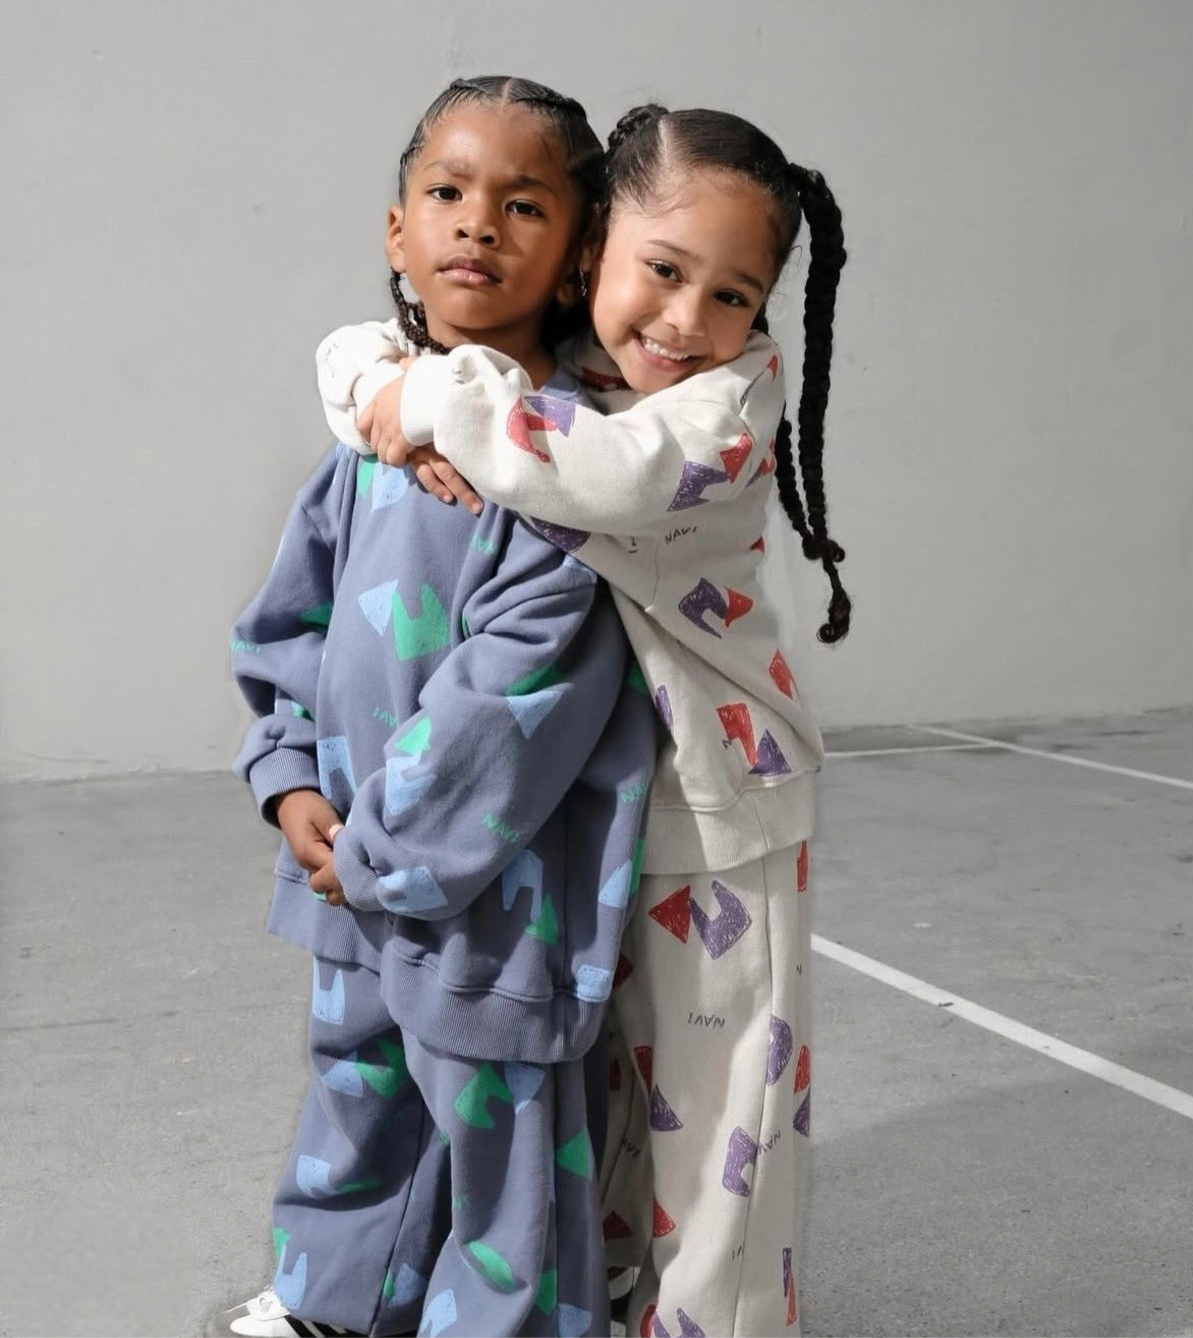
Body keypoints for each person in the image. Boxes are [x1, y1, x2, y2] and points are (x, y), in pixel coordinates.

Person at [313, 104, 851, 1338]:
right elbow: (349, 350)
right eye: (663, 269)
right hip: (593, 812)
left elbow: (594, 471)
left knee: (721, 1125)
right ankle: (607, 1298)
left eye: (732, 294)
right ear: (596, 248)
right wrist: (388, 381)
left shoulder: (722, 410)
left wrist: (433, 395)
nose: (687, 319)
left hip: (721, 812)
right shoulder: (568, 365)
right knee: (605, 1092)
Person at [212, 76, 657, 1338]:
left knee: (499, 1133)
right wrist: (287, 778)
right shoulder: (366, 447)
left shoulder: (559, 468)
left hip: (494, 902)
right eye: (448, 192)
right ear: (397, 231)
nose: (478, 223)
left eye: (525, 205)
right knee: (357, 1092)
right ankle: (333, 1304)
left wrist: (379, 848)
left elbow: (514, 703)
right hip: (348, 867)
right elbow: (289, 626)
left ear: (578, 258)